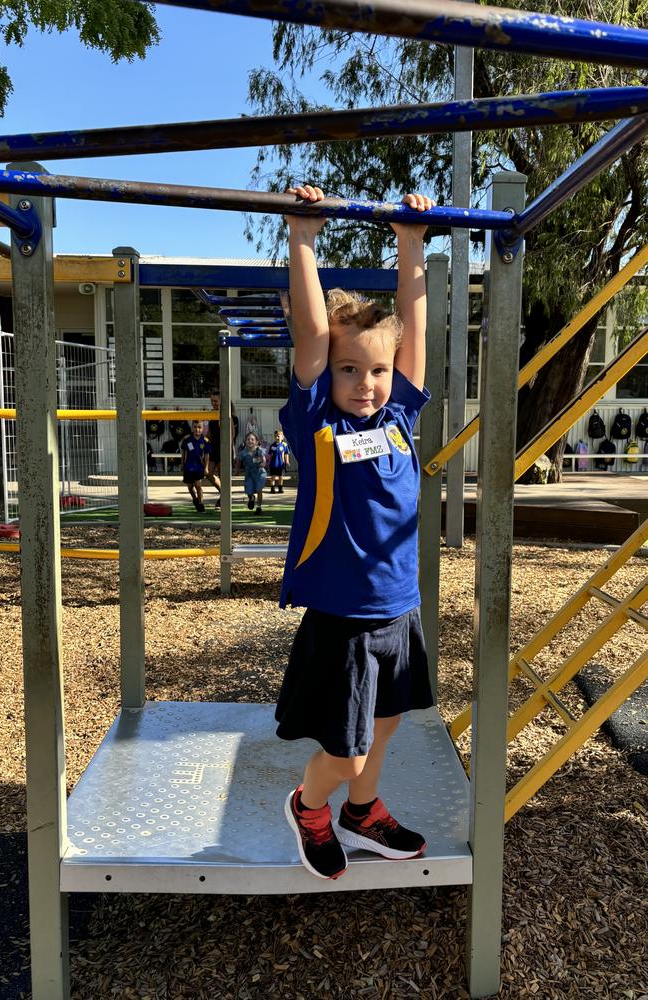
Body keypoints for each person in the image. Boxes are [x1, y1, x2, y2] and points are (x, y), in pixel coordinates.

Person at [276, 184, 434, 881]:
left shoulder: (397, 419)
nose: (365, 383)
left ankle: (361, 812)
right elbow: (312, 337)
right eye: (348, 369)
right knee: (344, 748)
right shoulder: (321, 424)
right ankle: (312, 805)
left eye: (375, 370)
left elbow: (414, 331)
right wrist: (302, 237)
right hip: (344, 616)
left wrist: (411, 246)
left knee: (389, 723)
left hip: (399, 607)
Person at [181, 420, 209, 513]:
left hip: (199, 467)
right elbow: (184, 452)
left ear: (203, 428)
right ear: (192, 427)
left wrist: (206, 467)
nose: (197, 429)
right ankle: (195, 499)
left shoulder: (205, 440)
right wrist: (182, 464)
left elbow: (206, 455)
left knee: (198, 486)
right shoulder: (187, 439)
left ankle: (201, 504)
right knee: (190, 487)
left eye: (199, 427)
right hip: (188, 466)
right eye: (195, 427)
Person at [237, 431, 267, 514]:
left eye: (252, 439)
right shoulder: (243, 453)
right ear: (245, 441)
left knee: (259, 489)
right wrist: (237, 470)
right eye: (248, 439)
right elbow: (238, 462)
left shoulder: (259, 451)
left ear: (256, 442)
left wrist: (263, 463)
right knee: (248, 489)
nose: (250, 441)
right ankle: (251, 498)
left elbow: (263, 459)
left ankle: (259, 507)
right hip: (249, 474)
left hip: (259, 473)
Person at [204, 390, 222, 508]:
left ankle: (223, 499)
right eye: (212, 401)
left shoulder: (228, 415)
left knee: (222, 475)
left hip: (222, 448)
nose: (213, 403)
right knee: (208, 473)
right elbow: (209, 434)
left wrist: (230, 451)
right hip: (212, 448)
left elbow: (232, 435)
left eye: (215, 401)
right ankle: (223, 493)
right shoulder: (211, 415)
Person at [267, 428, 290, 493]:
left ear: (282, 437)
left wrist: (287, 461)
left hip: (281, 464)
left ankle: (280, 487)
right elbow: (269, 455)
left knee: (281, 477)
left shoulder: (284, 445)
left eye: (278, 436)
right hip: (273, 464)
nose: (277, 437)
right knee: (273, 477)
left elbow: (286, 454)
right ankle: (272, 488)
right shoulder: (272, 446)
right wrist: (268, 462)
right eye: (275, 436)